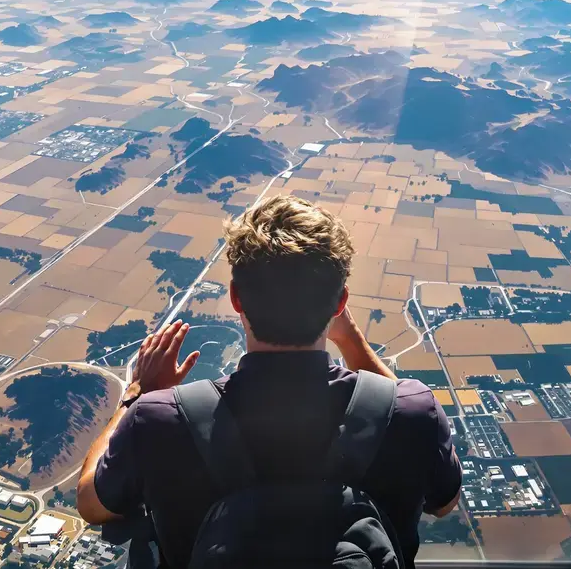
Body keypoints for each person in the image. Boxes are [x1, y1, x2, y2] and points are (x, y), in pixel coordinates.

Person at [78, 194, 462, 568]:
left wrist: (137, 395)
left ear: (236, 299)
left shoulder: (158, 420)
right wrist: (350, 338)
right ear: (341, 302)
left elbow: (92, 504)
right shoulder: (413, 412)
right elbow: (444, 501)